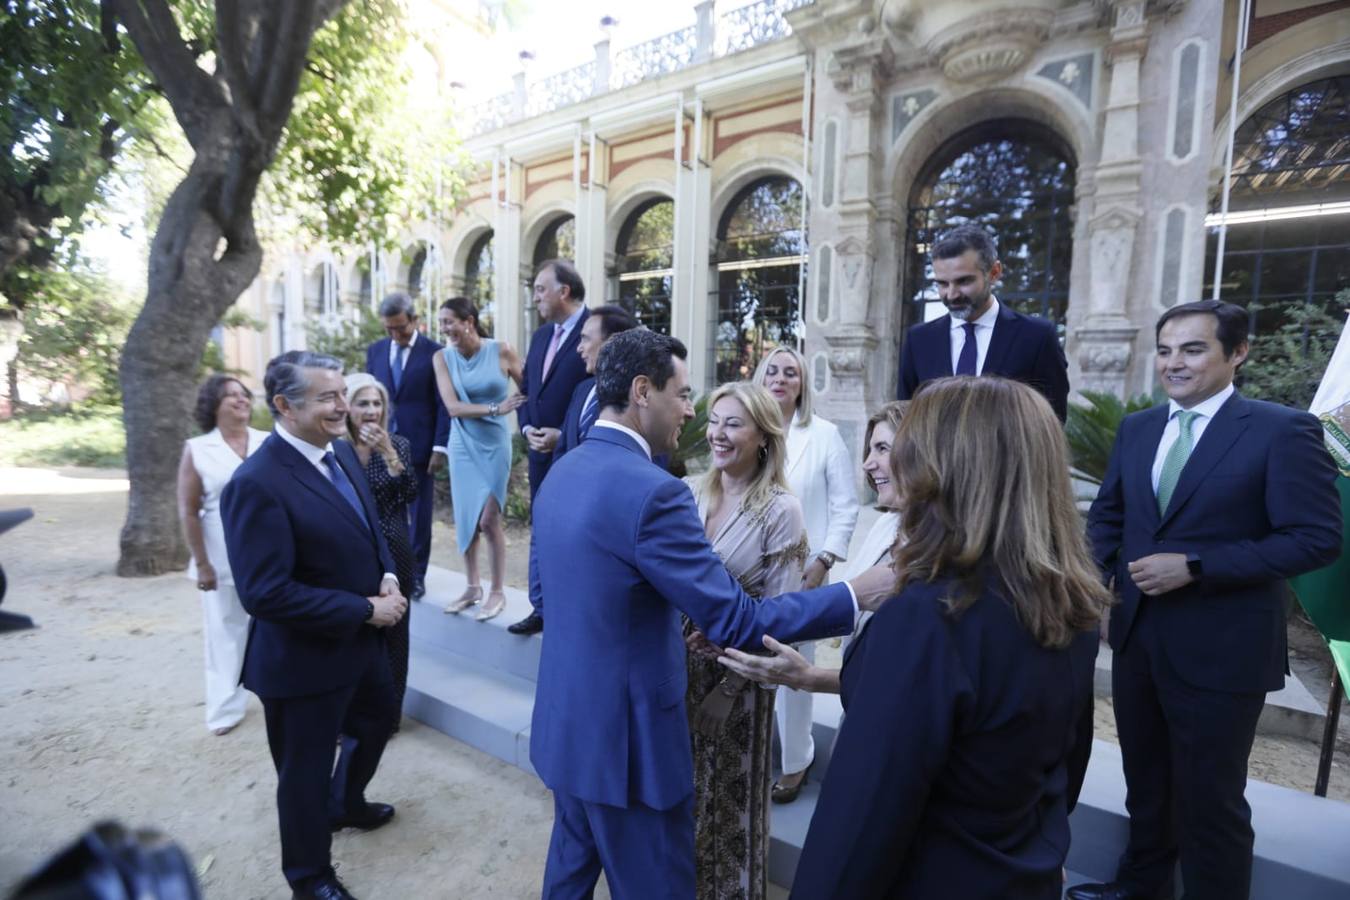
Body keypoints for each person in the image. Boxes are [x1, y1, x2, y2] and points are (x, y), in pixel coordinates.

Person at [529, 328, 896, 898]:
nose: (690, 412)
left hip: (567, 728)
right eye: (682, 394)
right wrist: (853, 595)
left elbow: (545, 598)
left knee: (567, 879)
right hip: (632, 752)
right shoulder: (658, 492)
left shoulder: (562, 472)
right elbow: (739, 623)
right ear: (643, 391)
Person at [791, 376, 1109, 899]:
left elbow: (859, 826)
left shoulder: (926, 618)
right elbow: (1063, 775)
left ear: (940, 470)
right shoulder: (1071, 603)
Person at [1074, 300, 1342, 900]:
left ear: (1237, 353)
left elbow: (1316, 539)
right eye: (1165, 350)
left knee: (1210, 798)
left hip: (1224, 650)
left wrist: (1197, 565)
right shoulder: (1139, 428)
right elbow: (1110, 517)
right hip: (1138, 638)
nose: (1174, 363)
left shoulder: (1283, 430)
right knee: (1145, 780)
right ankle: (1141, 887)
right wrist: (1091, 587)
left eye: (1192, 349)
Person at [221, 352, 408, 900]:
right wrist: (364, 610)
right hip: (302, 661)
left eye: (342, 393)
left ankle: (345, 804)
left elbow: (368, 526)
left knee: (376, 724)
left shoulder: (343, 453)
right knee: (301, 777)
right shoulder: (255, 482)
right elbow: (265, 592)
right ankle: (310, 878)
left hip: (363, 645)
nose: (342, 406)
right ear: (283, 405)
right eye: (327, 397)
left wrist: (389, 574)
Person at [684, 381, 808, 900]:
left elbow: (778, 619)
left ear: (763, 435)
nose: (717, 433)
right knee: (687, 801)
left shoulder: (781, 510)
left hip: (742, 685)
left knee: (732, 809)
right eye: (714, 420)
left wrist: (728, 689)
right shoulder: (692, 491)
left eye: (733, 423)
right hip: (680, 675)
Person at [718, 401, 907, 696]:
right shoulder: (887, 526)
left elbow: (905, 681)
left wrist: (811, 677)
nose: (867, 463)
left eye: (882, 448)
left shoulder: (940, 549)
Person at [753, 345, 859, 803]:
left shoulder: (825, 435)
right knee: (746, 664)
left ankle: (796, 761)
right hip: (750, 571)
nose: (780, 378)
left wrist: (824, 560)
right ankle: (753, 752)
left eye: (790, 373)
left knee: (794, 672)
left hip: (805, 575)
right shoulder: (748, 430)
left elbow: (846, 506)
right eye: (772, 370)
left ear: (802, 384)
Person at [509, 303, 639, 636]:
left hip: (599, 518)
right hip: (563, 500)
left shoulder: (635, 399)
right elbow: (567, 445)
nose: (579, 347)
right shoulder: (583, 389)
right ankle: (541, 609)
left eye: (585, 339)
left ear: (614, 342)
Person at [896, 224, 1070, 421]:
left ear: (994, 272)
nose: (951, 294)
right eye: (943, 284)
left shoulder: (1037, 337)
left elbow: (1053, 421)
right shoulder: (919, 340)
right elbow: (905, 417)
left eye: (964, 282)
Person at [176, 374, 269, 735]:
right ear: (213, 405)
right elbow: (187, 510)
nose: (240, 400)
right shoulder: (198, 449)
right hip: (221, 558)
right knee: (225, 634)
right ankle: (225, 709)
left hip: (271, 556)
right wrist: (202, 563)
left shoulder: (268, 442)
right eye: (230, 396)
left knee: (275, 630)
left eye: (243, 394)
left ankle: (279, 695)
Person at [432, 296, 526, 622]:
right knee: (468, 518)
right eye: (442, 323)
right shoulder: (441, 358)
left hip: (495, 442)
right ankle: (472, 587)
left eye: (449, 322)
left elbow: (530, 389)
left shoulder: (501, 349)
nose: (445, 329)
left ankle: (497, 590)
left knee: (488, 519)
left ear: (468, 321)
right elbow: (453, 408)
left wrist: (530, 424)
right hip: (461, 443)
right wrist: (496, 408)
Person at [344, 372, 419, 724]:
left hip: (393, 544)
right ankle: (352, 713)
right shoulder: (335, 447)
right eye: (363, 403)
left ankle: (389, 715)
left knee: (395, 631)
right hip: (349, 548)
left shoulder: (399, 444)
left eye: (377, 403)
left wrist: (388, 453)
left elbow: (410, 494)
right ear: (348, 407)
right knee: (353, 626)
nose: (372, 410)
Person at [365, 292, 450, 601]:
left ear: (415, 321)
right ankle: (391, 570)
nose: (394, 334)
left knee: (420, 515)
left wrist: (441, 447)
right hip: (379, 445)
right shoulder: (375, 351)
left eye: (400, 327)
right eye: (389, 328)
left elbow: (443, 404)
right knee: (385, 512)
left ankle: (416, 576)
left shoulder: (435, 353)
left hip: (420, 448)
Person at [518, 259, 591, 500]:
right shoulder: (541, 335)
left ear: (564, 291)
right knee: (539, 530)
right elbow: (526, 390)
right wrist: (527, 428)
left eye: (540, 289)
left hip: (577, 458)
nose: (535, 298)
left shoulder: (597, 330)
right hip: (539, 459)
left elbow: (607, 398)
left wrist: (563, 436)